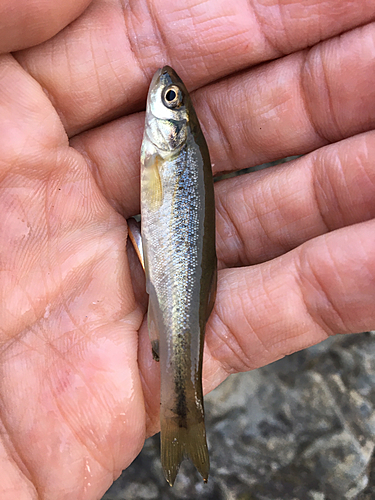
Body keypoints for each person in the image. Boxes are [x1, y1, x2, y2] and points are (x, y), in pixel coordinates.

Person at [1, 0, 374, 498]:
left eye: (169, 98)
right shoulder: (171, 148)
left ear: (176, 127)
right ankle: (183, 411)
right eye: (172, 97)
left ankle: (183, 408)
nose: (163, 96)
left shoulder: (171, 150)